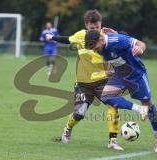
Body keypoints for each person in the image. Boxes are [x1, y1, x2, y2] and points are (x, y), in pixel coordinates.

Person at [46, 10, 124, 150]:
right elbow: (68, 39)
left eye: (97, 27)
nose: (94, 30)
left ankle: (113, 141)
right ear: (86, 26)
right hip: (83, 83)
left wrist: (116, 33)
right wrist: (52, 37)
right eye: (91, 28)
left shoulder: (106, 37)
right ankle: (68, 129)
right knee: (80, 113)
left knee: (113, 105)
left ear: (101, 25)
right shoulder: (80, 35)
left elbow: (124, 43)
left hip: (103, 81)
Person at [84, 29, 157, 152]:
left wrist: (140, 49)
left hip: (136, 75)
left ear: (100, 40)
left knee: (149, 104)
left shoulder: (118, 40)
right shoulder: (102, 44)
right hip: (120, 76)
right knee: (106, 97)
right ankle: (140, 109)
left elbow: (141, 44)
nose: (94, 50)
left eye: (94, 47)